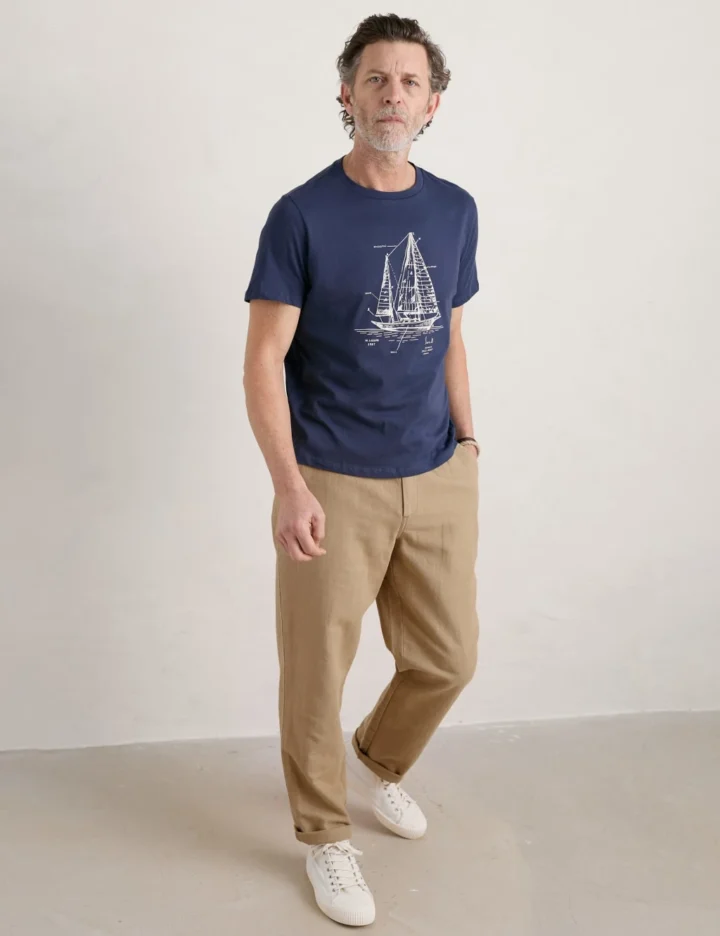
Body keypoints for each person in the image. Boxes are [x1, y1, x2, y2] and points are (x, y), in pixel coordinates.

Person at [243, 13, 480, 927]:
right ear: (347, 95)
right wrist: (288, 485)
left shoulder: (454, 210)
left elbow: (451, 334)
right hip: (332, 476)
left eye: (410, 81)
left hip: (436, 468)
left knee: (449, 658)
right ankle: (324, 835)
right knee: (317, 669)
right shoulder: (301, 214)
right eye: (375, 78)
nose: (393, 95)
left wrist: (468, 443)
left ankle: (378, 760)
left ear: (433, 103)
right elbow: (264, 360)